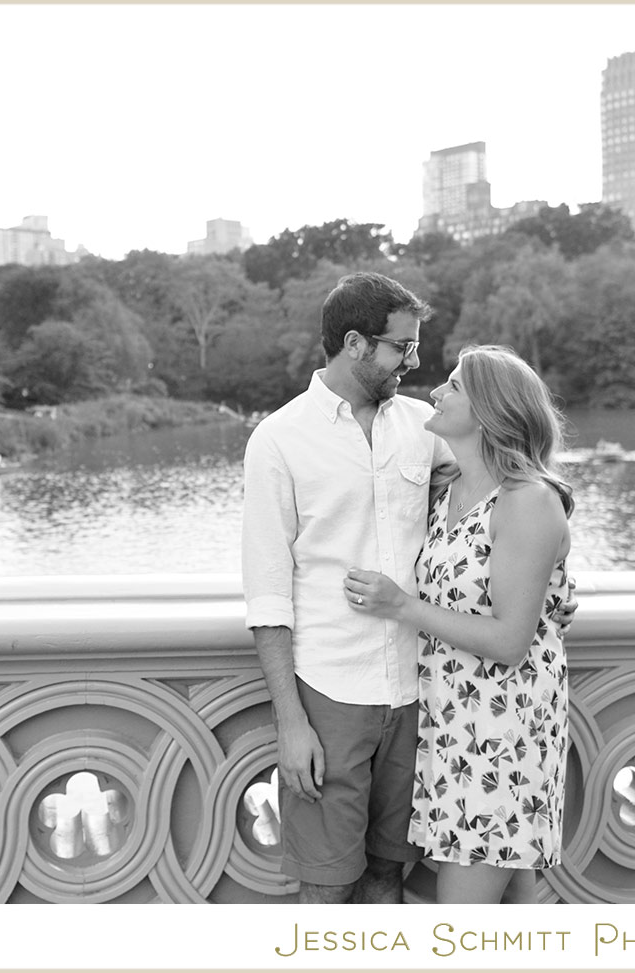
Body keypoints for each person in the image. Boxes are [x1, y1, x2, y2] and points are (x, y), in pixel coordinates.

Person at [242, 271, 458, 904]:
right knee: (327, 889)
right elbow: (267, 594)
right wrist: (292, 725)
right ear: (356, 342)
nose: (413, 361)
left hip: (418, 689)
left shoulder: (426, 426)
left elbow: (501, 499)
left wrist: (548, 584)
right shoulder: (278, 439)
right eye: (401, 347)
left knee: (390, 874)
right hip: (329, 693)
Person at [342, 344, 573, 904]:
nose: (435, 393)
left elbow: (511, 640)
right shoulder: (450, 494)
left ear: (491, 411)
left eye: (454, 385)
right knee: (508, 910)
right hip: (454, 728)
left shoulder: (527, 500)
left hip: (504, 736)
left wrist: (402, 606)